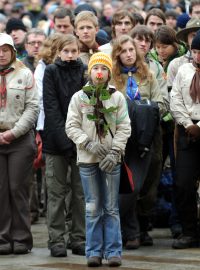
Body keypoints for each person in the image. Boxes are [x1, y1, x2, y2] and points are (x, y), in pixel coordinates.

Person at [65, 52, 131, 267]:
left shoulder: (117, 97)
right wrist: (88, 142)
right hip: (88, 160)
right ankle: (93, 251)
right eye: (95, 68)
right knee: (93, 207)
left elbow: (124, 127)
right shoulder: (79, 98)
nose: (99, 72)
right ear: (90, 71)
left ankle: (113, 251)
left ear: (109, 72)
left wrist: (115, 151)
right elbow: (71, 126)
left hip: (111, 160)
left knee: (111, 207)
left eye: (103, 69)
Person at [111, 35, 164, 249]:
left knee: (135, 187)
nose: (128, 54)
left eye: (131, 49)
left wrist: (146, 108)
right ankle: (131, 233)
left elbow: (161, 103)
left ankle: (112, 226)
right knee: (123, 186)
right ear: (117, 55)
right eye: (123, 51)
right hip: (119, 140)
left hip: (144, 140)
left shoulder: (148, 76)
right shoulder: (112, 78)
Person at [43, 34, 86, 257]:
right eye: (66, 51)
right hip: (55, 142)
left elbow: (85, 107)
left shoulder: (83, 71)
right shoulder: (51, 72)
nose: (70, 55)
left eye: (74, 51)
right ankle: (56, 239)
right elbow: (51, 109)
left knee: (80, 194)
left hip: (80, 142)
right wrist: (65, 141)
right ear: (59, 51)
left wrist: (77, 139)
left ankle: (78, 237)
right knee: (56, 193)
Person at [0, 33, 39, 255]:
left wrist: (13, 133)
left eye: (5, 49)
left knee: (18, 188)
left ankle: (22, 238)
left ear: (13, 51)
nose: (1, 54)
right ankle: (2, 238)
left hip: (19, 139)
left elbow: (33, 108)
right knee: (1, 189)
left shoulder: (25, 74)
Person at [170, 31, 200, 249]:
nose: (198, 56)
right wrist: (188, 124)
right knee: (183, 183)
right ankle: (189, 231)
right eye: (196, 52)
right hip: (187, 131)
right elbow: (176, 99)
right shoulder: (183, 70)